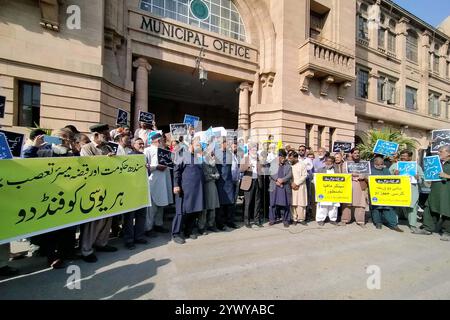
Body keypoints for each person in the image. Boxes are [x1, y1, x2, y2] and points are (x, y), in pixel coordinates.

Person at [23, 128, 78, 269]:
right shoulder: (42, 152)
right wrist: (34, 146)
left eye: (66, 138)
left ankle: (66, 252)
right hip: (48, 199)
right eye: (60, 138)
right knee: (51, 231)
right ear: (51, 139)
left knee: (67, 229)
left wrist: (74, 149)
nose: (63, 140)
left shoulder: (71, 154)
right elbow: (26, 162)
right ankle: (51, 256)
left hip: (68, 197)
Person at [79, 124, 117, 263]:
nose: (107, 136)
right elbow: (88, 166)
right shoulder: (86, 148)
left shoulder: (107, 148)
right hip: (93, 190)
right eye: (104, 134)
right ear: (95, 135)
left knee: (107, 218)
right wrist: (106, 160)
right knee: (94, 221)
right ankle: (86, 250)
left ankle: (102, 243)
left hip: (108, 188)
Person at [172, 138, 205, 244]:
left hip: (196, 190)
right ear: (191, 145)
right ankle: (176, 233)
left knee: (194, 210)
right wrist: (176, 185)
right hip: (184, 190)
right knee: (181, 212)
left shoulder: (197, 157)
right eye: (197, 145)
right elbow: (176, 171)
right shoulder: (182, 155)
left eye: (200, 145)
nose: (199, 147)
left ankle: (188, 231)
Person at [415, 145, 450, 240]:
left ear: (448, 153)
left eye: (441, 151)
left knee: (447, 211)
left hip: (447, 192)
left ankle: (447, 232)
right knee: (429, 208)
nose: (438, 153)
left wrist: (447, 176)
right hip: (435, 191)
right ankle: (427, 228)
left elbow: (445, 176)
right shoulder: (438, 163)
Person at [144, 132, 173, 235]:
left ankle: (158, 224)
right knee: (152, 206)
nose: (164, 142)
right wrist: (156, 167)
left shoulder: (165, 151)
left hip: (164, 181)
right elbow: (144, 166)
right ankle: (148, 228)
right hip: (154, 181)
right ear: (158, 141)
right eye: (163, 140)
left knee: (161, 204)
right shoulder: (147, 150)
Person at [389, 149, 424, 233]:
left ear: (410, 157)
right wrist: (394, 174)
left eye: (405, 156)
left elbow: (422, 178)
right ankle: (395, 223)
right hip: (398, 189)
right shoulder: (395, 165)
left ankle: (412, 225)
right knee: (396, 206)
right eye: (402, 156)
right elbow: (388, 175)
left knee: (412, 207)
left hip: (412, 189)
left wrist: (418, 178)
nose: (403, 157)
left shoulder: (416, 166)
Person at [122, 138, 148, 249]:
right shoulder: (128, 156)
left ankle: (139, 236)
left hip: (142, 190)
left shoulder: (143, 156)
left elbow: (147, 174)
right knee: (129, 217)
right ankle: (129, 239)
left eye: (143, 143)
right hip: (131, 191)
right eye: (139, 143)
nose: (142, 145)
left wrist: (147, 169)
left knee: (141, 215)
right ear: (133, 145)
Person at [370, 157, 403, 232]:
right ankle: (378, 222)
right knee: (376, 208)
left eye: (382, 164)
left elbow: (391, 180)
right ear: (374, 163)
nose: (380, 165)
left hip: (386, 194)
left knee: (389, 208)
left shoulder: (386, 170)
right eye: (378, 164)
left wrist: (395, 175)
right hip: (375, 194)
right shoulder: (371, 171)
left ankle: (394, 224)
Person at [215, 138, 238, 230]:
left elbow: (233, 166)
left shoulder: (230, 154)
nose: (227, 144)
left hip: (229, 181)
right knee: (221, 204)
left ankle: (230, 221)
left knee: (231, 203)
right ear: (222, 144)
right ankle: (220, 224)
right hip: (221, 182)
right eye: (226, 143)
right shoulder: (217, 153)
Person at [341, 148, 367, 227]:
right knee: (347, 202)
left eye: (358, 153)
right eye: (355, 153)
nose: (357, 154)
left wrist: (360, 176)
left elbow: (366, 173)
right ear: (351, 154)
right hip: (349, 184)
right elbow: (344, 173)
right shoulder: (346, 163)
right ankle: (345, 220)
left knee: (361, 203)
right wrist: (353, 175)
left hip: (360, 184)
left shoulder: (363, 163)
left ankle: (360, 221)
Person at [240, 143, 263, 228]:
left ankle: (256, 220)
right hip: (248, 182)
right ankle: (247, 221)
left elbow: (261, 171)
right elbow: (241, 169)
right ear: (249, 151)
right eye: (253, 150)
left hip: (257, 181)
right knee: (248, 203)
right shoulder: (245, 158)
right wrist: (248, 166)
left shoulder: (258, 160)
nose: (255, 151)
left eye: (256, 150)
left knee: (257, 202)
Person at [268, 149, 292, 227]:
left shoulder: (288, 164)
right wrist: (277, 180)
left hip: (284, 186)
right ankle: (272, 219)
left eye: (283, 157)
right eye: (281, 157)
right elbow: (271, 173)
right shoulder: (273, 163)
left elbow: (289, 175)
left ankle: (286, 220)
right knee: (273, 204)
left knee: (285, 204)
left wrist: (282, 180)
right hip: (275, 186)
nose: (282, 159)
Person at [315, 156, 340, 226]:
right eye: (327, 161)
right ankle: (320, 219)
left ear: (333, 163)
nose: (329, 163)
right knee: (323, 206)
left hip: (333, 191)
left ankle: (332, 219)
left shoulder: (336, 170)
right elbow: (316, 179)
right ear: (325, 162)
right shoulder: (320, 170)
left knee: (333, 206)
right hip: (323, 191)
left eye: (331, 161)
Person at [200, 151, 220, 234]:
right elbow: (205, 176)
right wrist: (213, 176)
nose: (212, 156)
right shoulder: (203, 164)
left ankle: (211, 224)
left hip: (213, 186)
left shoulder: (213, 164)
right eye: (210, 155)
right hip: (205, 187)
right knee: (205, 208)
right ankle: (201, 226)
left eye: (212, 155)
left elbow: (218, 175)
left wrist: (212, 176)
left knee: (213, 207)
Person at [290, 151, 308, 226]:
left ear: (296, 158)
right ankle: (294, 218)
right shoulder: (289, 166)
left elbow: (304, 176)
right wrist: (292, 184)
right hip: (292, 186)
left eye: (291, 158)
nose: (289, 159)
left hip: (300, 186)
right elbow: (288, 175)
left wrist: (296, 183)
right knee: (293, 203)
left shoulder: (302, 165)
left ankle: (301, 219)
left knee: (301, 203)